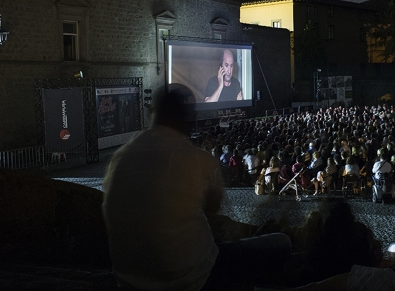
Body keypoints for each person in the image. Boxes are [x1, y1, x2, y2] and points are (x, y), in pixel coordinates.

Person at [102, 90, 290, 290]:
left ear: (152, 114)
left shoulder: (120, 157)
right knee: (282, 242)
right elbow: (214, 212)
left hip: (128, 280)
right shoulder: (197, 159)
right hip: (193, 278)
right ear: (186, 118)